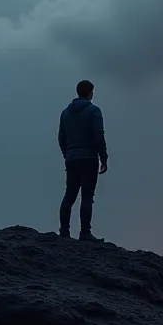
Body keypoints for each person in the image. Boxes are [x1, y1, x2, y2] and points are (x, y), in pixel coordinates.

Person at [57, 79, 108, 241]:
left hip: (72, 158)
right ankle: (85, 233)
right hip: (89, 158)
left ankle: (64, 232)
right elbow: (98, 135)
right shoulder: (94, 111)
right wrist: (103, 157)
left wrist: (67, 154)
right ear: (90, 93)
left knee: (69, 195)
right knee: (87, 196)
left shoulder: (65, 113)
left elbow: (61, 137)